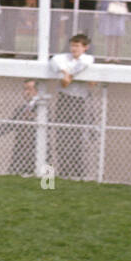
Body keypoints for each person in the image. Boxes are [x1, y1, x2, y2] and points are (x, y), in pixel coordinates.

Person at [50, 33, 94, 179]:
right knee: (62, 135)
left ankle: (76, 172)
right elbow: (54, 60)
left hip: (78, 101)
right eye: (72, 45)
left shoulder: (88, 59)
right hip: (64, 99)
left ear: (85, 48)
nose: (74, 49)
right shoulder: (64, 58)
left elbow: (84, 64)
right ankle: (63, 170)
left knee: (76, 137)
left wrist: (69, 76)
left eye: (77, 46)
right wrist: (65, 73)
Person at [0, 79, 41, 176]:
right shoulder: (21, 109)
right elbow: (10, 124)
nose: (25, 92)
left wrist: (33, 116)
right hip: (20, 152)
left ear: (36, 91)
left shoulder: (42, 107)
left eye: (29, 89)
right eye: (24, 89)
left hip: (36, 151)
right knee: (13, 177)